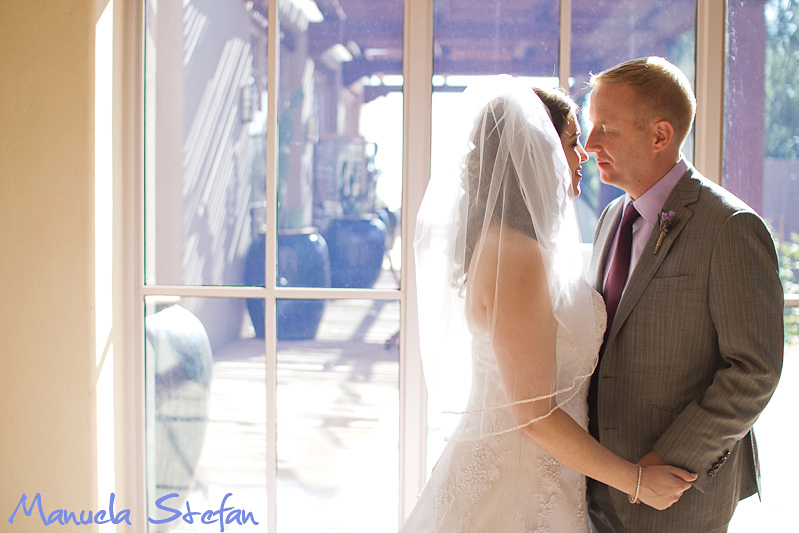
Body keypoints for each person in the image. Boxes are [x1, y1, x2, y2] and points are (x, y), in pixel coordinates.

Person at [402, 76, 695, 532]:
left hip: (548, 481)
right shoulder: (517, 255)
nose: (584, 156)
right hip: (511, 489)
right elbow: (535, 415)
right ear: (536, 150)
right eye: (574, 142)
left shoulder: (522, 245)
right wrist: (636, 482)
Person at [585, 57, 784, 533]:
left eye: (606, 128)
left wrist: (664, 461)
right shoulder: (611, 216)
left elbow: (755, 369)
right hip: (598, 484)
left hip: (675, 493)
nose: (590, 144)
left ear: (660, 135)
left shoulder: (731, 228)